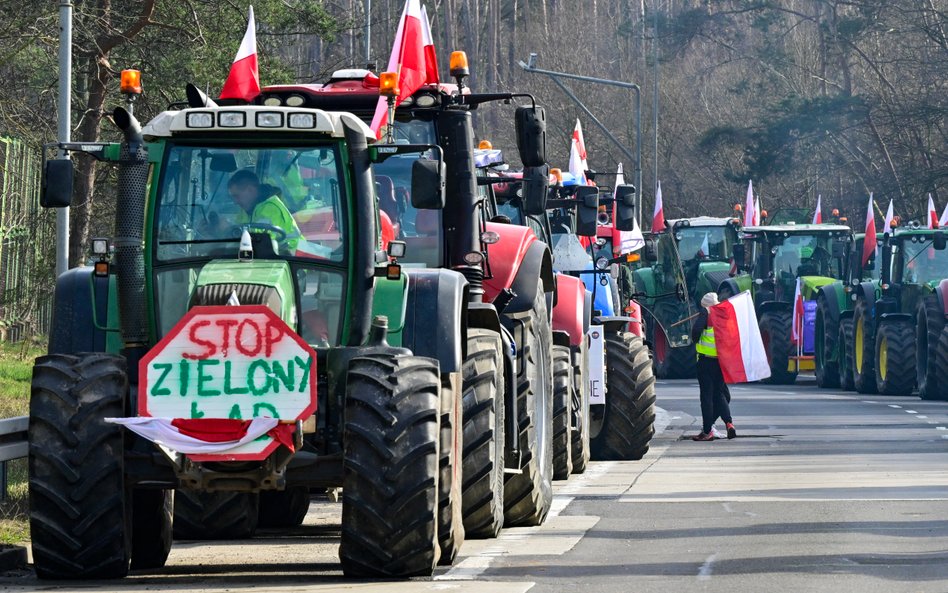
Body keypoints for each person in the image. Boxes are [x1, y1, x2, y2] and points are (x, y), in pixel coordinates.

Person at [691, 292, 737, 441]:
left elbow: (696, 331)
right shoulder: (724, 316)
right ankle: (729, 423)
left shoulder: (707, 313)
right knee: (720, 394)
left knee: (707, 397)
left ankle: (707, 430)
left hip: (706, 362)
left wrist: (695, 340)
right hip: (721, 362)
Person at [227, 169, 303, 252]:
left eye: (236, 196)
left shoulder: (270, 208)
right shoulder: (246, 210)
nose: (235, 202)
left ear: (250, 190)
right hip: (272, 258)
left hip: (294, 258)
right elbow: (239, 236)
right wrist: (225, 230)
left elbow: (260, 243)